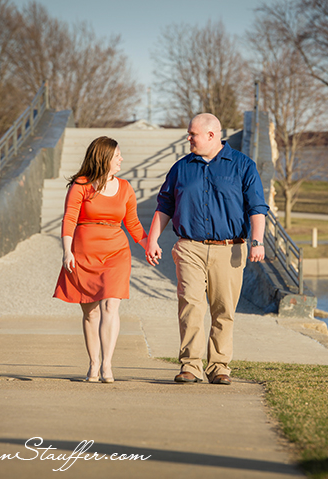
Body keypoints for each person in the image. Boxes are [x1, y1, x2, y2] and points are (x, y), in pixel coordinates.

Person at [145, 113, 268, 385]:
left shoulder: (242, 166)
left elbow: (257, 208)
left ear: (212, 135)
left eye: (193, 134)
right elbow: (164, 205)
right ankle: (190, 365)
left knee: (223, 310)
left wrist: (257, 241)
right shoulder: (181, 168)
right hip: (190, 247)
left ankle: (219, 366)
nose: (188, 138)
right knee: (190, 304)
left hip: (230, 249)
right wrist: (152, 239)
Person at [54, 136, 147, 383]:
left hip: (117, 253)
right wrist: (67, 251)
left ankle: (107, 365)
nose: (121, 159)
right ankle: (93, 364)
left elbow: (134, 224)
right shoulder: (81, 185)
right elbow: (69, 219)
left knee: (110, 306)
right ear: (103, 158)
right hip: (84, 254)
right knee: (91, 313)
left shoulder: (125, 188)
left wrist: (149, 245)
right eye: (117, 156)